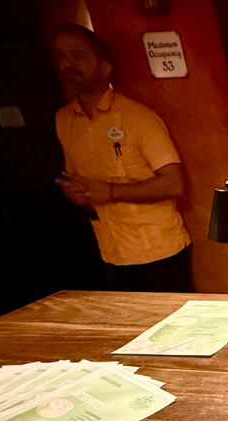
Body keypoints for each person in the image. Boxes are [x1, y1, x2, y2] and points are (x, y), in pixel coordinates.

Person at [52, 24, 194, 293]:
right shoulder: (64, 120)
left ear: (105, 67)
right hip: (111, 249)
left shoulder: (137, 118)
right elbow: (78, 181)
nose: (68, 64)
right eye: (61, 57)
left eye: (78, 56)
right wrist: (76, 194)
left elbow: (174, 184)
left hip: (157, 249)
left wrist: (109, 192)